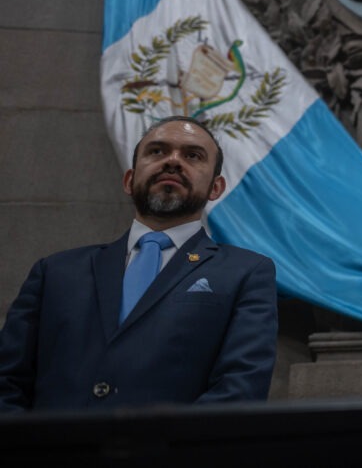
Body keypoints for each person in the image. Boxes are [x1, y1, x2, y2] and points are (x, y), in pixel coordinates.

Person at [0, 116, 278, 411]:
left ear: (216, 188)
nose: (172, 162)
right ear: (129, 180)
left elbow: (239, 389)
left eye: (192, 155)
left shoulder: (246, 273)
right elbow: (7, 384)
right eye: (157, 151)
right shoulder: (55, 272)